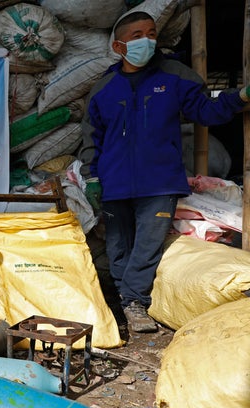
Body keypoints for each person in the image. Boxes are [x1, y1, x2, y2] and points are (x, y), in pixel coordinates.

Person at [78, 11, 249, 333]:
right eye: (137, 35)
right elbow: (92, 138)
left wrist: (240, 97)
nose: (147, 40)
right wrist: (91, 178)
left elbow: (205, 111)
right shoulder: (103, 88)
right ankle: (125, 299)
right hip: (114, 183)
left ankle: (134, 304)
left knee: (147, 245)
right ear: (118, 46)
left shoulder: (175, 76)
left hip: (159, 184)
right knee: (118, 246)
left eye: (152, 33)